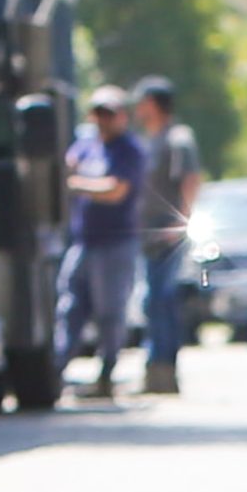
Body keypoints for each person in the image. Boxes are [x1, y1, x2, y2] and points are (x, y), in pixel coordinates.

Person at [55, 84, 148, 400]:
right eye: (98, 113)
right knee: (70, 306)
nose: (103, 120)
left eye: (110, 113)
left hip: (116, 244)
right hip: (83, 241)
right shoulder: (85, 146)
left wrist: (76, 184)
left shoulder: (129, 151)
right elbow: (65, 165)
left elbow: (116, 190)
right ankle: (57, 368)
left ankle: (107, 372)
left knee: (110, 312)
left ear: (123, 116)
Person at [132, 76, 202, 396]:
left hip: (169, 237)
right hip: (148, 237)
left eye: (142, 101)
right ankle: (154, 368)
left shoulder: (178, 138)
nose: (138, 108)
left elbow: (190, 180)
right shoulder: (151, 139)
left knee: (162, 300)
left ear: (155, 103)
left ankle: (164, 370)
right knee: (152, 302)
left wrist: (183, 223)